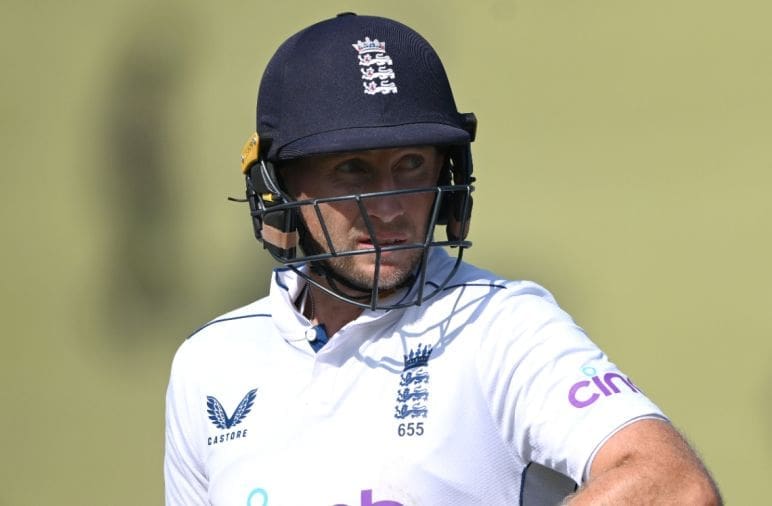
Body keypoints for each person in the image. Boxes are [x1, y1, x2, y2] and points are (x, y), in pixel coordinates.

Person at [164, 12, 721, 505]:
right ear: (279, 189)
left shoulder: (502, 325)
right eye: (352, 169)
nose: (389, 206)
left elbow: (673, 485)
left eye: (411, 164)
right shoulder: (207, 363)